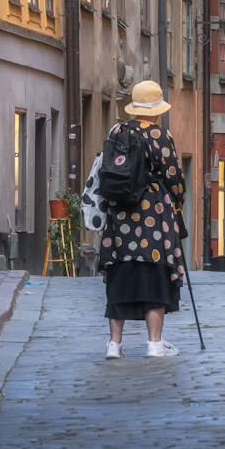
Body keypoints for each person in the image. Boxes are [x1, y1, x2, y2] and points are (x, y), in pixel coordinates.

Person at [97, 80, 187, 359]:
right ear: (157, 111)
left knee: (119, 274)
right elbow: (173, 177)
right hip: (152, 215)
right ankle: (154, 343)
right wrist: (177, 200)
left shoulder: (117, 131)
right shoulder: (160, 135)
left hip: (119, 216)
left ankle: (114, 344)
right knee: (154, 275)